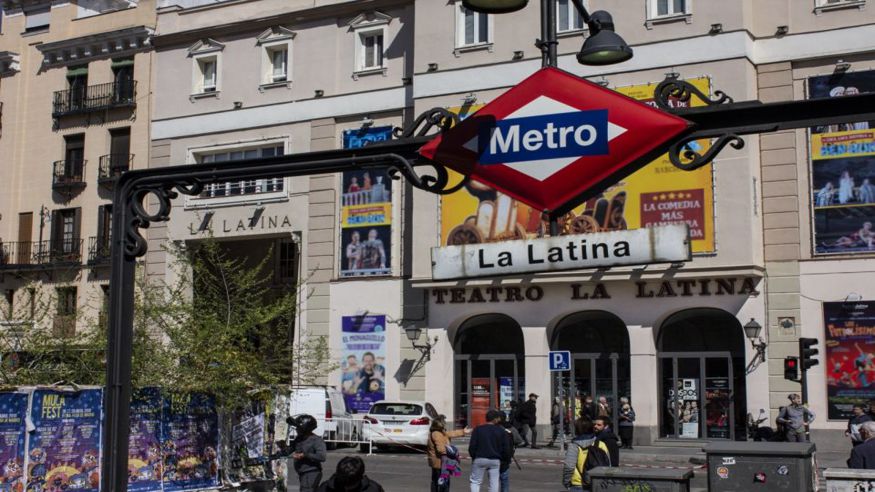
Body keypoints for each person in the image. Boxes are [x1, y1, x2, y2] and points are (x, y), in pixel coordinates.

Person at [469, 409, 512, 492]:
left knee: (475, 481)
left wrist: (474, 456)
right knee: (494, 483)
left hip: (479, 458)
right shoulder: (501, 431)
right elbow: (506, 449)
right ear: (495, 419)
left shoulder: (478, 429)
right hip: (495, 460)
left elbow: (472, 446)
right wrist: (504, 460)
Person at [562, 418, 611, 491]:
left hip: (578, 484)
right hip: (597, 483)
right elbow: (608, 465)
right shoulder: (601, 444)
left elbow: (569, 466)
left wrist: (566, 482)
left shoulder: (574, 445)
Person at [427, 415, 471, 492]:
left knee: (437, 481)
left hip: (439, 462)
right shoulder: (436, 434)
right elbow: (441, 449)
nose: (445, 424)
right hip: (439, 462)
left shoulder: (440, 432)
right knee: (442, 482)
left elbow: (451, 433)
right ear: (440, 424)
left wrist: (463, 431)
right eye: (444, 422)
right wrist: (451, 452)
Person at [289, 414, 327, 492]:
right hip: (302, 473)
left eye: (298, 428)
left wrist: (304, 455)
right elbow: (290, 449)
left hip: (311, 473)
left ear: (304, 429)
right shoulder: (299, 439)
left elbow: (322, 457)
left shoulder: (316, 440)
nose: (296, 429)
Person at [316, 457, 384, 492]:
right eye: (343, 482)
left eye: (351, 485)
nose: (346, 487)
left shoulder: (373, 489)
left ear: (360, 478)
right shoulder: (326, 488)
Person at [498, 413, 524, 492]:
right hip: (506, 457)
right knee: (504, 479)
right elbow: (520, 441)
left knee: (493, 480)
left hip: (494, 456)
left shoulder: (494, 428)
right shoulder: (511, 429)